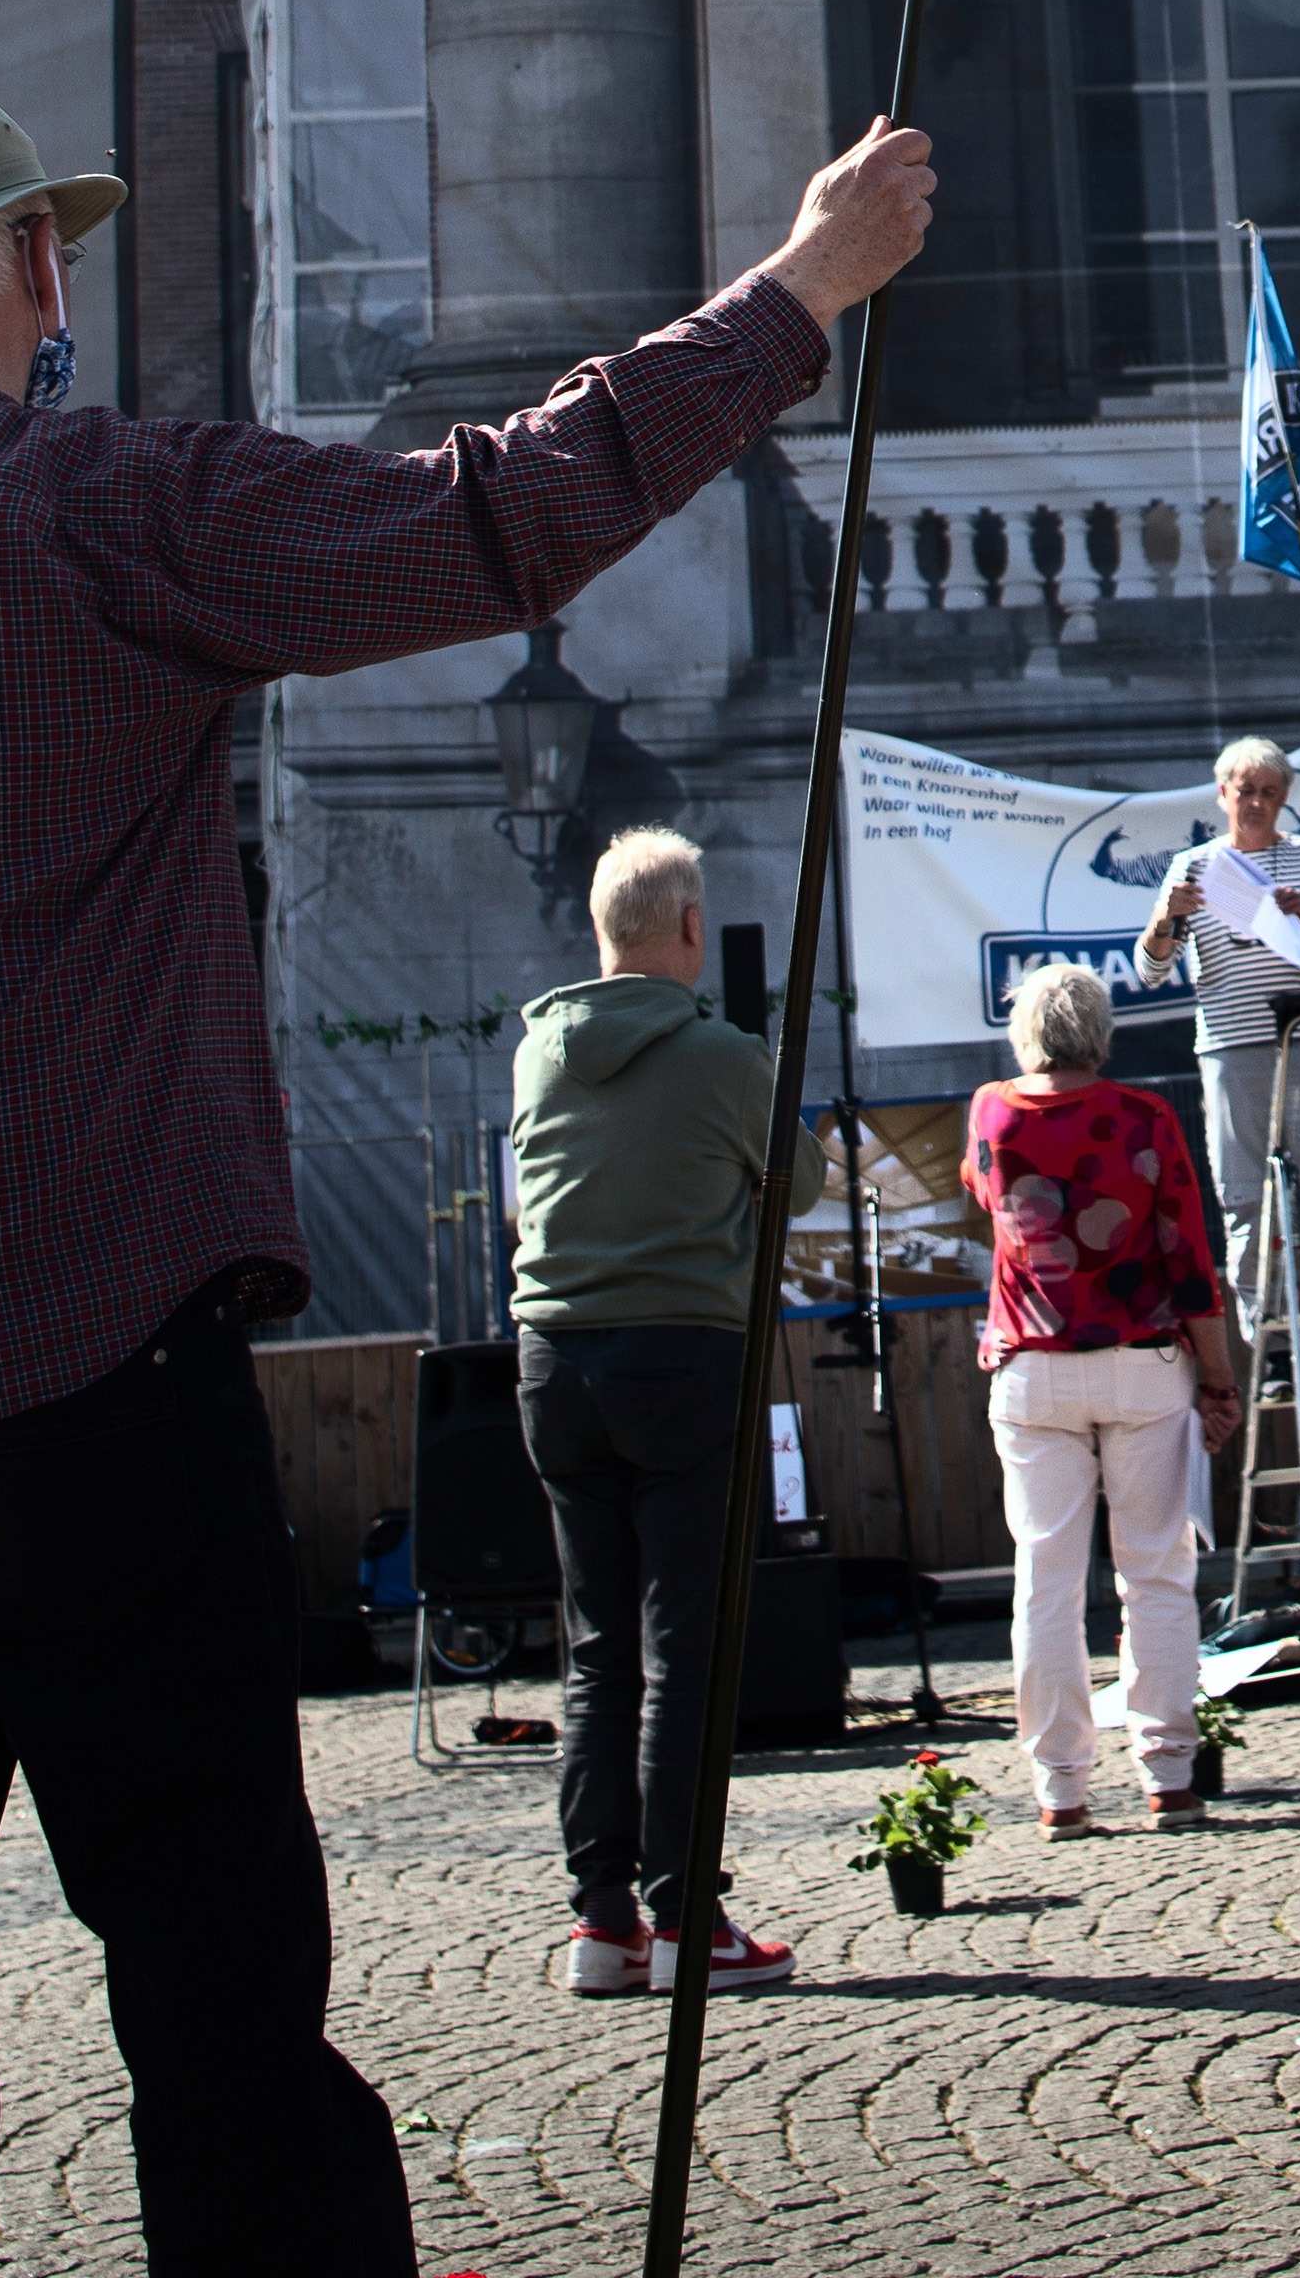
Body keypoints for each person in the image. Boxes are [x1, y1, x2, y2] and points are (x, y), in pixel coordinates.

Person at [0, 65, 934, 2277]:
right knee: (217, 1999)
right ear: (31, 263)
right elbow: (494, 514)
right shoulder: (96, 500)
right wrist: (797, 289)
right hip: (88, 1381)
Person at [504, 825, 795, 1998]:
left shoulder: (540, 1052)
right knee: (685, 1645)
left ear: (598, 930)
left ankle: (601, 1918)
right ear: (688, 928)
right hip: (679, 1352)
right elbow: (802, 1181)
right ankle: (687, 1916)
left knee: (594, 1648)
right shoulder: (723, 1057)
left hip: (552, 1358)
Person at [965, 962, 1234, 1835]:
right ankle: (1169, 1774)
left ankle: (1061, 1789)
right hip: (1142, 1360)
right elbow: (1190, 1258)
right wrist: (1220, 1380)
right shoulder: (1146, 1117)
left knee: (1045, 1580)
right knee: (1156, 1571)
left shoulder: (990, 1111)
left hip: (1032, 1364)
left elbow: (984, 1197)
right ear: (1102, 1031)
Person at [1136, 737, 1300, 1306]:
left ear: (1284, 798)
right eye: (1245, 791)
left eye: (1268, 793)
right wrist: (1166, 918)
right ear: (1222, 794)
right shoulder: (1193, 866)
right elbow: (1150, 971)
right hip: (1230, 1047)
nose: (1255, 803)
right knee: (1246, 1203)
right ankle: (1273, 1346)